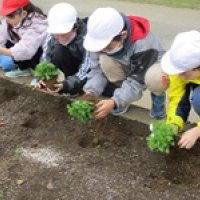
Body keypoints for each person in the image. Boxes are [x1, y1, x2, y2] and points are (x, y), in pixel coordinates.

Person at [83, 7, 166, 119]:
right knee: (104, 61)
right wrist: (91, 91)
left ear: (123, 35)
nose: (102, 49)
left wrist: (114, 101)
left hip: (150, 65)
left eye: (107, 46)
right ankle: (122, 101)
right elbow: (96, 69)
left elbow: (137, 82)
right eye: (100, 47)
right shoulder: (98, 38)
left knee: (156, 78)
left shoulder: (144, 45)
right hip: (126, 62)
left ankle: (158, 104)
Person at [34, 3, 89, 95]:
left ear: (75, 26)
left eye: (63, 34)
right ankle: (73, 87)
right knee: (58, 51)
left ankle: (78, 86)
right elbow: (45, 58)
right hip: (72, 67)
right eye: (56, 34)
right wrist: (41, 78)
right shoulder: (52, 35)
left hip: (90, 70)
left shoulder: (87, 37)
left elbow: (87, 68)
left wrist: (67, 85)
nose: (59, 37)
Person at [161, 30, 200, 149]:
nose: (179, 76)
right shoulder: (181, 67)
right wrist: (174, 123)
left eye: (183, 73)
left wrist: (198, 131)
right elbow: (177, 99)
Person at [0, 0, 48, 78]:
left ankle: (40, 75)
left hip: (41, 52)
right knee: (10, 40)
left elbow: (26, 50)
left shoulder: (37, 24)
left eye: (10, 16)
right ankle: (24, 68)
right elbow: (1, 37)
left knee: (43, 68)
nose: (7, 19)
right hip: (26, 48)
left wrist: (2, 51)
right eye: (6, 15)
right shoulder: (8, 21)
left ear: (24, 13)